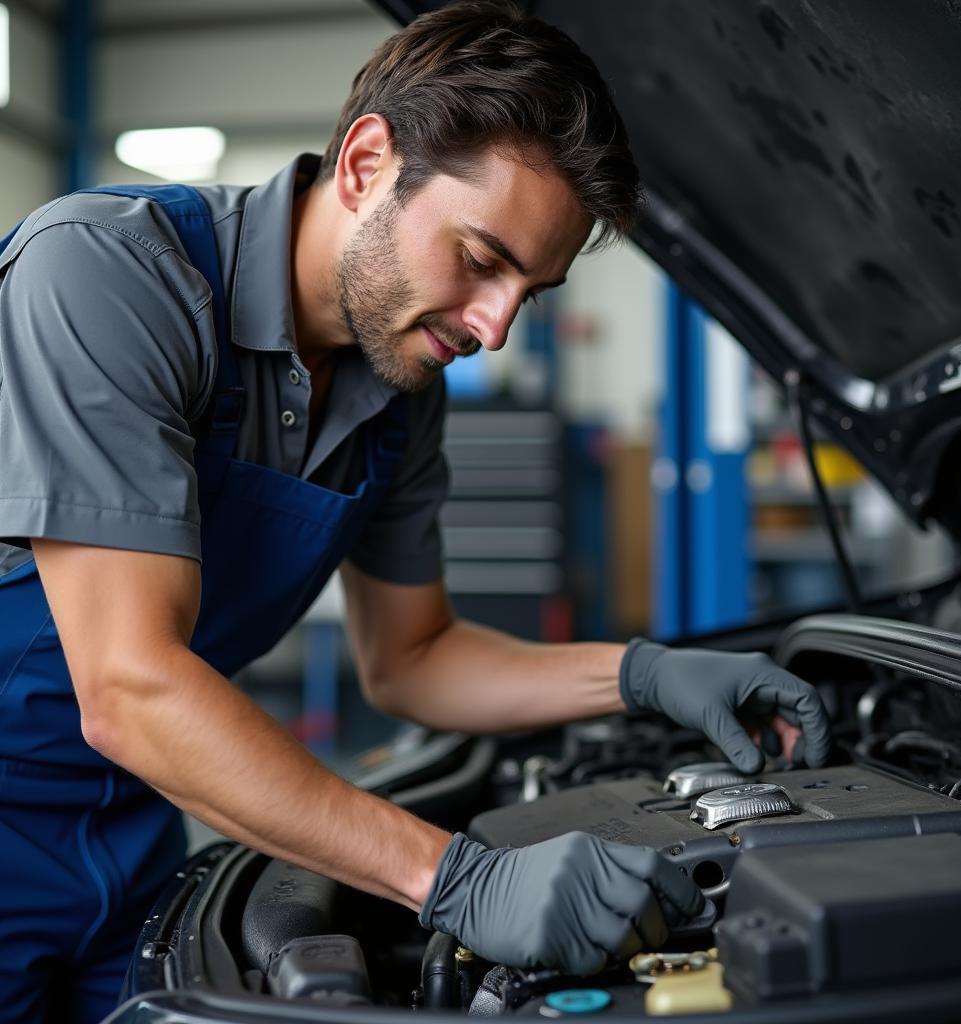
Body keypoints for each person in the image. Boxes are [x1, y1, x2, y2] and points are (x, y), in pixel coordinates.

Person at [0, 2, 830, 1020]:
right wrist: (458, 878)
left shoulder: (398, 389)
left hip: (132, 849)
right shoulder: (106, 278)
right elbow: (129, 687)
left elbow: (413, 658)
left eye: (527, 292)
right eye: (481, 259)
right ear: (364, 163)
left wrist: (644, 674)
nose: (491, 327)